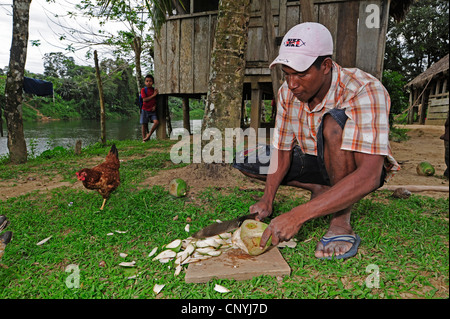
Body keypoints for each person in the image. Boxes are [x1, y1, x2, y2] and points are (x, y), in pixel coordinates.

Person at [233, 22, 400, 260]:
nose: (292, 84)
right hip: (314, 159)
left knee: (333, 124)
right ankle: (323, 190)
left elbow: (370, 176)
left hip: (358, 167)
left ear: (326, 66)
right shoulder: (287, 92)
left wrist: (298, 215)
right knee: (247, 159)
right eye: (287, 74)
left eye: (301, 74)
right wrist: (267, 200)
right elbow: (282, 149)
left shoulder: (364, 89)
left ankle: (340, 220)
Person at [140, 74, 159, 142]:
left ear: (153, 82)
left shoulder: (154, 90)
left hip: (152, 110)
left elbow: (156, 100)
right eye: (147, 81)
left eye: (150, 81)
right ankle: (144, 139)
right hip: (145, 109)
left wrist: (155, 106)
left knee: (156, 122)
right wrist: (153, 95)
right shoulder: (143, 90)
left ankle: (149, 135)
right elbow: (144, 99)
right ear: (145, 82)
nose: (148, 82)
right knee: (144, 124)